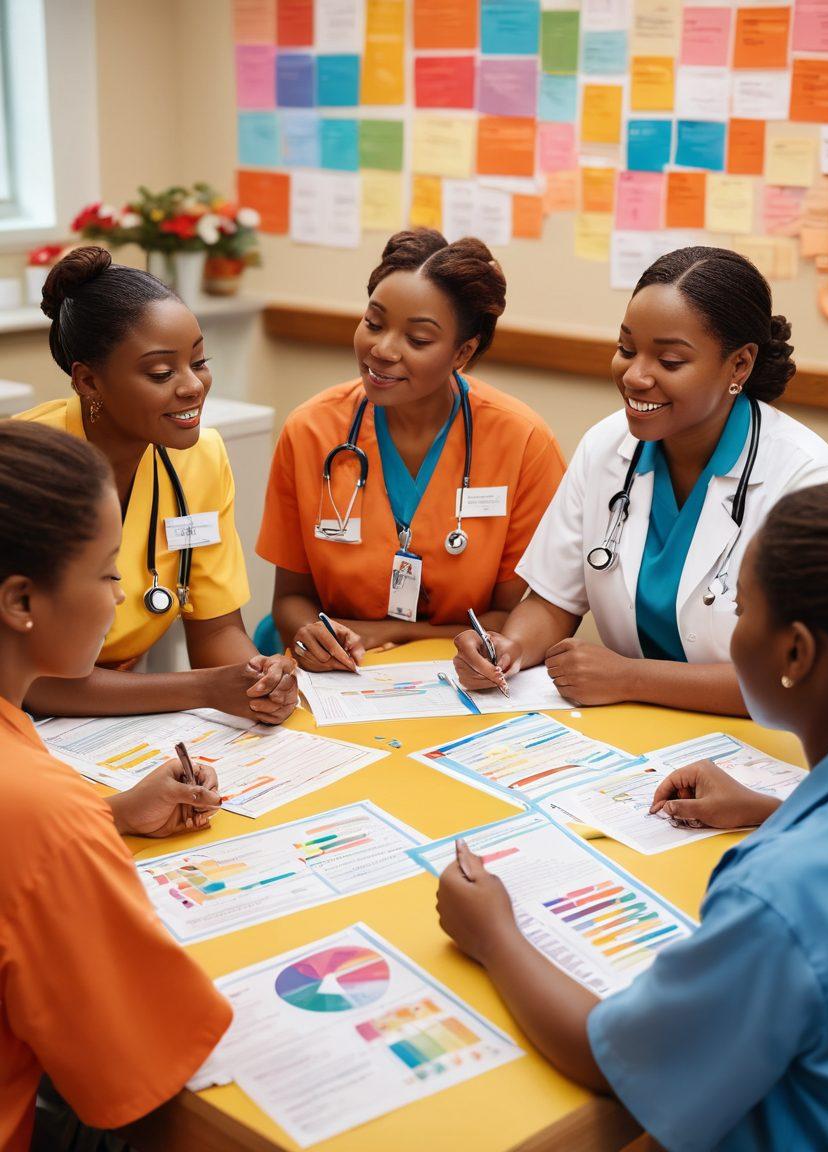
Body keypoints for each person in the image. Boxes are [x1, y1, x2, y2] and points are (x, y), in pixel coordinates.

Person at [437, 481, 828, 1151]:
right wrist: (774, 811)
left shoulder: (778, 897)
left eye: (741, 611)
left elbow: (618, 1065)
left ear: (795, 654)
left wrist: (494, 936)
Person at [454, 246, 828, 716]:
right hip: (637, 734)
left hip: (758, 748)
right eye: (626, 349)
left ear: (739, 365)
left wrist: (630, 678)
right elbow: (553, 602)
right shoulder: (606, 447)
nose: (635, 376)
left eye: (670, 361)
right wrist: (507, 648)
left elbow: (797, 679)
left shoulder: (807, 480)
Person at [0, 422, 233, 1152]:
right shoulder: (40, 807)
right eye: (106, 572)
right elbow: (136, 1065)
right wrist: (75, 831)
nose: (124, 592)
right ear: (19, 600)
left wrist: (111, 814)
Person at [256, 228, 566, 673]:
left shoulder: (522, 442)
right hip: (336, 674)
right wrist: (313, 636)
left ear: (463, 351)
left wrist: (395, 633)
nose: (381, 350)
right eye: (373, 323)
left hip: (458, 674)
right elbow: (290, 599)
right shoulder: (311, 430)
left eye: (417, 340)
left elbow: (511, 617)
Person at [17, 246, 296, 722]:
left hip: (114, 717)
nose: (192, 386)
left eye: (200, 361)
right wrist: (207, 687)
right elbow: (33, 679)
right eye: (161, 372)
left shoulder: (201, 459)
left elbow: (213, 631)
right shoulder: (27, 468)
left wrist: (259, 679)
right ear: (87, 381)